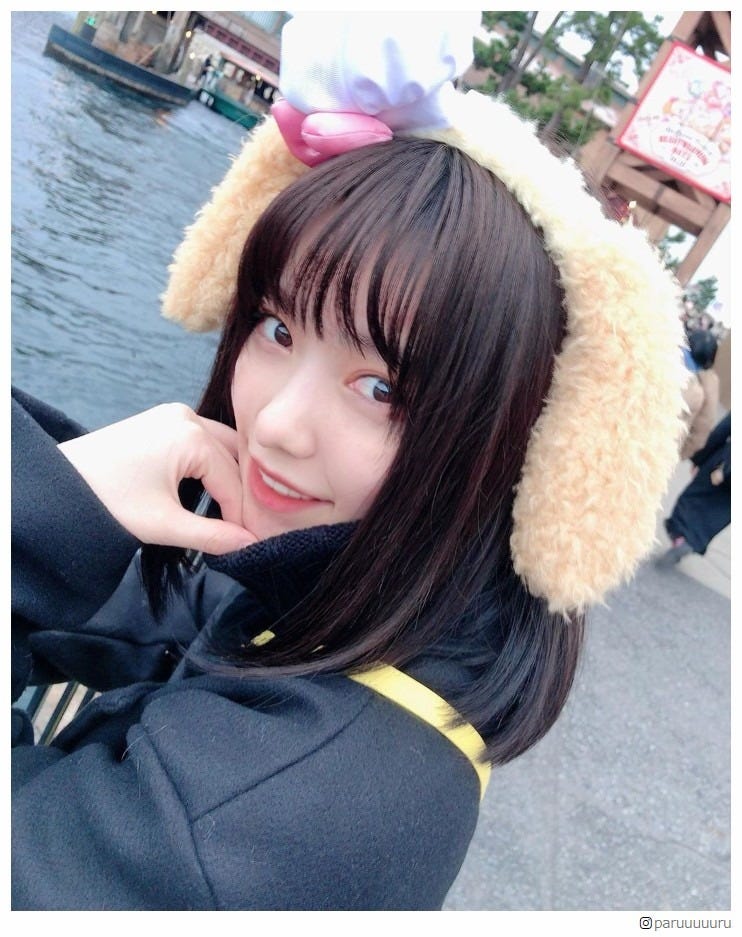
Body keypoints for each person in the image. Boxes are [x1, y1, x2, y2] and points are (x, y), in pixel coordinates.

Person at [11, 13, 685, 910]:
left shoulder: (253, 829)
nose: (279, 424)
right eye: (278, 328)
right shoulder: (363, 598)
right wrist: (71, 498)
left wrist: (38, 510)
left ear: (509, 444)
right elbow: (161, 610)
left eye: (381, 388)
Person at [657, 412, 731, 567]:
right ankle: (690, 542)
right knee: (720, 514)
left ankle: (681, 538)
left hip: (722, 467)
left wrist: (701, 459)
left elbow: (722, 431)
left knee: (691, 499)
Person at [680, 328, 719, 460]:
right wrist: (678, 454)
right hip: (660, 448)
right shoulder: (706, 387)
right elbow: (702, 429)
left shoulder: (665, 354)